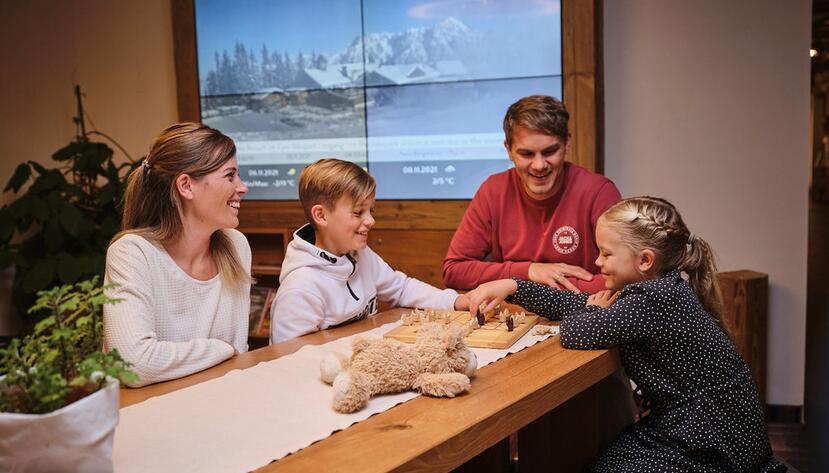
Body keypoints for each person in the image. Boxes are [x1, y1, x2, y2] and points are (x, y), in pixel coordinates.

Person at [466, 196, 783, 472]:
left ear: (645, 260)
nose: (596, 262)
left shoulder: (650, 300)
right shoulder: (659, 288)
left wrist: (593, 313)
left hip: (709, 440)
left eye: (605, 253)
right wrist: (514, 286)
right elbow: (575, 301)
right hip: (709, 429)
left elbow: (576, 332)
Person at [103, 123, 252, 387]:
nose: (242, 188)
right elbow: (133, 365)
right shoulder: (131, 253)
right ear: (186, 185)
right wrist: (221, 349)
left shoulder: (236, 246)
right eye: (230, 176)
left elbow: (238, 358)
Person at [271, 159, 469, 343]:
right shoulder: (300, 289)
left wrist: (455, 301)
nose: (370, 221)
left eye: (370, 211)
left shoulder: (361, 255)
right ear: (321, 215)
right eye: (358, 212)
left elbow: (401, 289)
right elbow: (288, 361)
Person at [443, 95, 621, 293]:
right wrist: (528, 271)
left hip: (581, 315)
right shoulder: (493, 191)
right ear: (508, 150)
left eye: (549, 152)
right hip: (515, 318)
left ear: (567, 143)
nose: (539, 165)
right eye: (526, 154)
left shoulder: (598, 192)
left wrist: (522, 288)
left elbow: (624, 278)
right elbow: (454, 271)